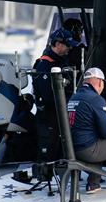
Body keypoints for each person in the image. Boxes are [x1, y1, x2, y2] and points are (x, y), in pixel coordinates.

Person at [32, 28, 79, 161]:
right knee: (48, 149)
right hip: (48, 115)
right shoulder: (44, 65)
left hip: (59, 114)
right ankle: (44, 173)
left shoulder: (62, 61)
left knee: (58, 147)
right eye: (67, 45)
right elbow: (48, 97)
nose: (69, 49)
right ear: (58, 44)